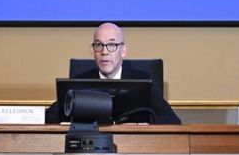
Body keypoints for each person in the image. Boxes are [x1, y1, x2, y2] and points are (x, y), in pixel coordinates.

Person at [45, 22, 180, 124]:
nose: (104, 52)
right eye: (99, 45)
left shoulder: (142, 81)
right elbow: (49, 117)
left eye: (112, 45)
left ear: (123, 51)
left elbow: (172, 122)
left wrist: (140, 126)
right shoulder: (80, 82)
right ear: (93, 51)